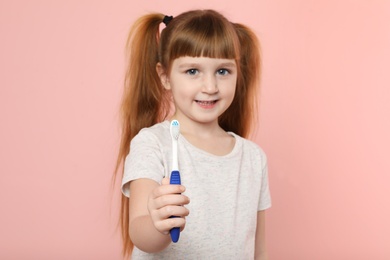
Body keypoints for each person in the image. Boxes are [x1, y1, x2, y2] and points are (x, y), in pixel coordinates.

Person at [114, 9, 271, 259]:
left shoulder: (253, 158)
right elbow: (140, 234)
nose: (210, 87)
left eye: (222, 71)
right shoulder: (152, 143)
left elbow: (259, 249)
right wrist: (157, 221)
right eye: (192, 71)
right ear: (165, 77)